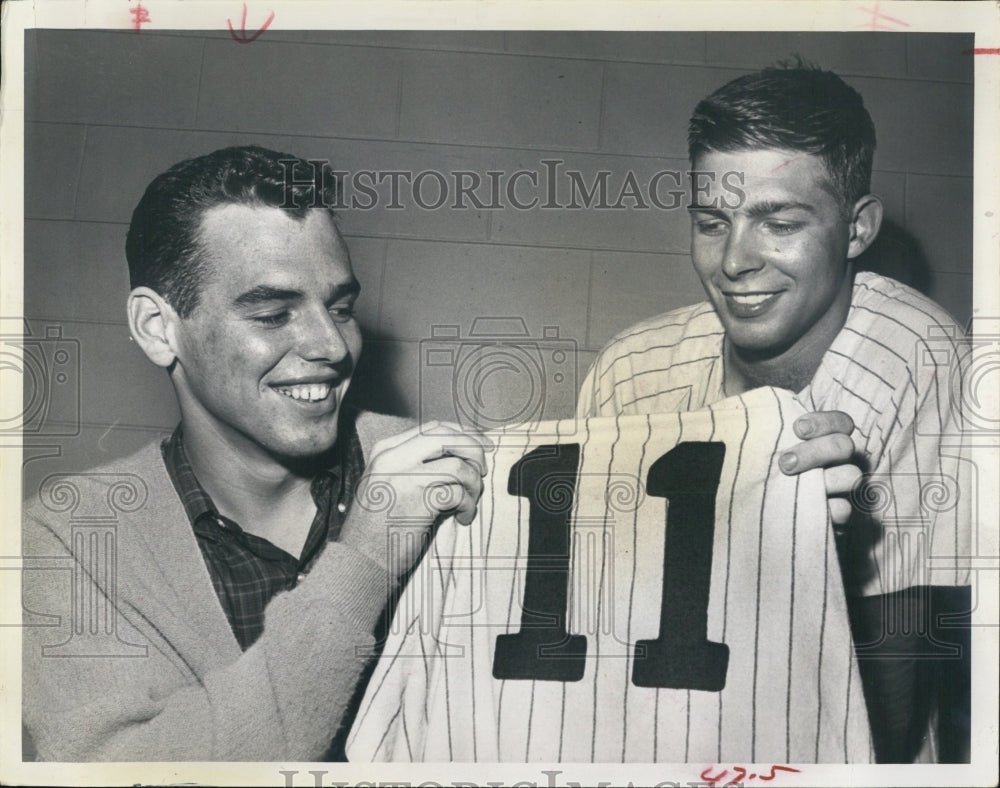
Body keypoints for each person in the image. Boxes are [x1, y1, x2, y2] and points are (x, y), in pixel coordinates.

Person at [21, 145, 488, 761]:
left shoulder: (443, 471)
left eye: (341, 308)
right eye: (272, 314)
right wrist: (367, 557)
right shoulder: (67, 538)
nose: (330, 345)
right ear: (159, 329)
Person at [578, 64, 972, 762]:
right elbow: (595, 621)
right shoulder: (628, 370)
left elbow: (894, 699)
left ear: (857, 229)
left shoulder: (922, 356)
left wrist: (820, 557)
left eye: (779, 223)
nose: (734, 260)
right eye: (712, 222)